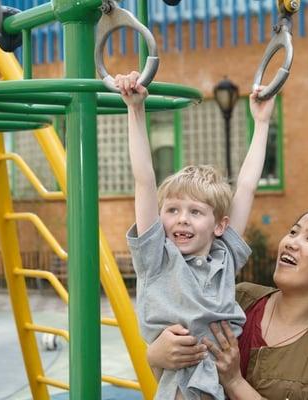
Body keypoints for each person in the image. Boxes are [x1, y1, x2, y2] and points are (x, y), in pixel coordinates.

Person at [116, 71, 275, 400]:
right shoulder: (157, 257)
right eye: (172, 210)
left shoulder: (224, 254)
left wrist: (260, 124)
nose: (181, 220)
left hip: (221, 376)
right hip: (180, 378)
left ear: (219, 225)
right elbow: (144, 179)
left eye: (195, 212)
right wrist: (135, 111)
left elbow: (245, 186)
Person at [147, 208, 308, 399]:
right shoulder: (238, 299)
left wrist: (235, 383)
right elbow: (177, 377)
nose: (292, 242)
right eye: (293, 232)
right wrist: (156, 355)